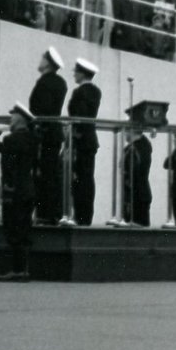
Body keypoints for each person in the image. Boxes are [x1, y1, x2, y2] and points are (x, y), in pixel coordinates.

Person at [0, 102, 38, 282]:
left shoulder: (11, 140)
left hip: (13, 189)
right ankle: (23, 269)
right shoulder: (32, 138)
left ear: (20, 119)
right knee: (24, 229)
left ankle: (17, 270)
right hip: (28, 188)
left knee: (13, 229)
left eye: (13, 115)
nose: (10, 118)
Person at [29, 47, 67, 225]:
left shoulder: (44, 82)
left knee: (44, 175)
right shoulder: (60, 82)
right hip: (54, 133)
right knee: (51, 174)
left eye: (43, 58)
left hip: (44, 133)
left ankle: (45, 213)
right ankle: (52, 213)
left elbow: (40, 109)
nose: (40, 60)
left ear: (48, 63)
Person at [66, 58, 101, 226]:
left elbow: (78, 116)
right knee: (87, 178)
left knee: (80, 179)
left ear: (82, 73)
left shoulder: (79, 92)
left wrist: (73, 134)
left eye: (76, 71)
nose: (74, 74)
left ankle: (80, 216)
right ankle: (85, 216)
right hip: (89, 140)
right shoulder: (95, 91)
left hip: (80, 140)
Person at [121, 122, 152, 226]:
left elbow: (133, 171)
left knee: (138, 228)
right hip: (135, 192)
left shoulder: (138, 148)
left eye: (126, 131)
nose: (125, 134)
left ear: (132, 131)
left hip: (137, 194)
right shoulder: (134, 148)